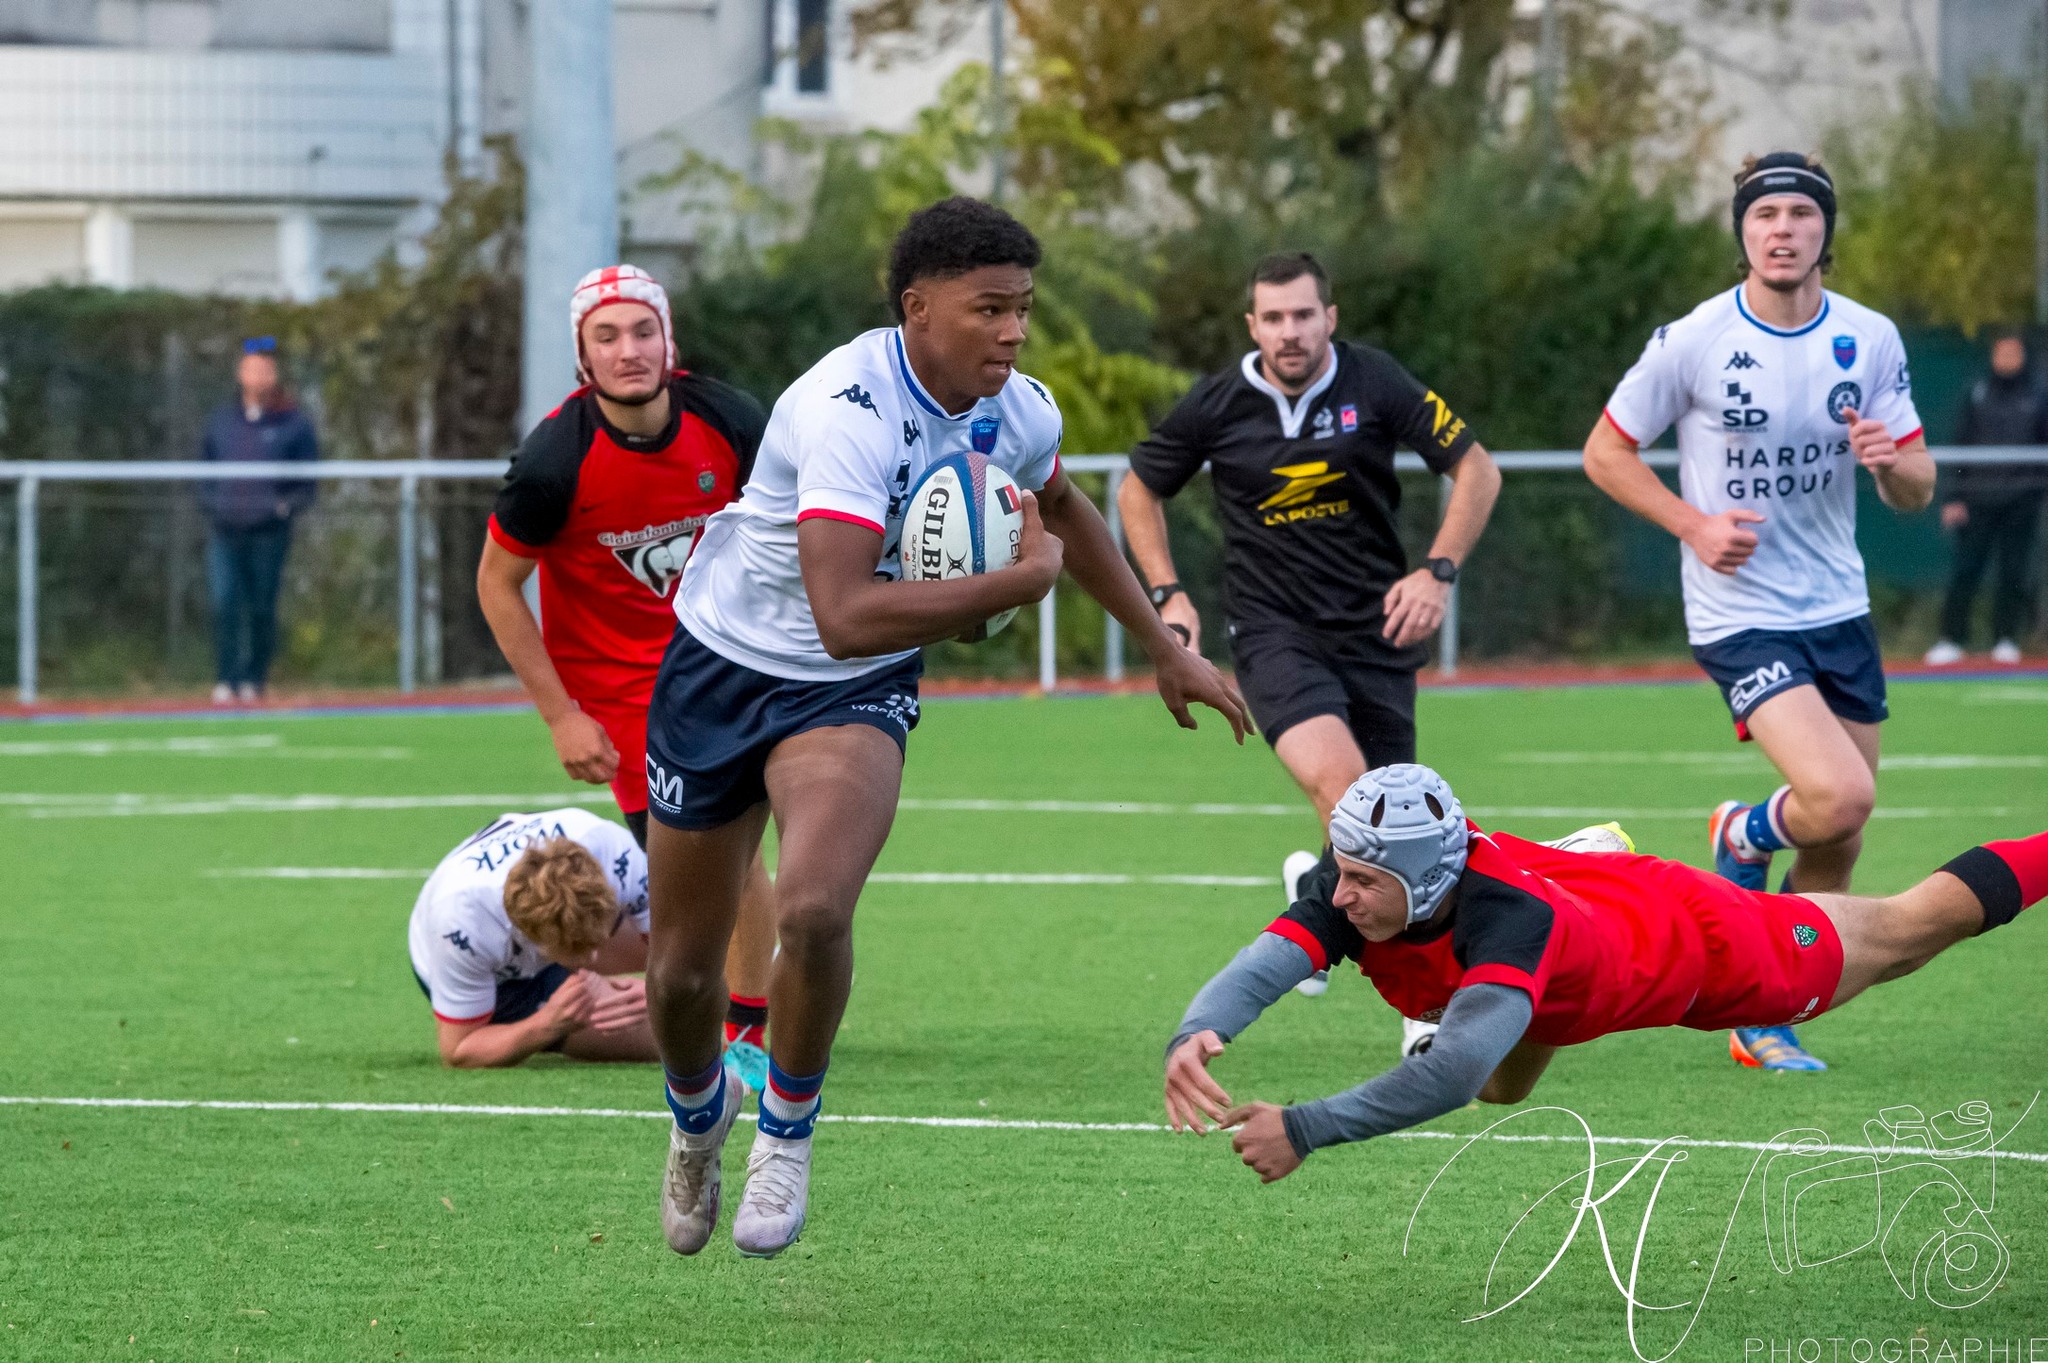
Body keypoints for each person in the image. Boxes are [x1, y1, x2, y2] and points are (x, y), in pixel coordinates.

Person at [644, 196, 1251, 1259]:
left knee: (817, 909)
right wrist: (1008, 588)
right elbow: (840, 612)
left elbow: (1058, 509)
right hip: (723, 666)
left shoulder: (1016, 409)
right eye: (990, 310)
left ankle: (785, 1129)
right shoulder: (845, 409)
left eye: (1022, 309)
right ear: (918, 307)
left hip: (850, 691)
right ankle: (698, 1121)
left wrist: (1163, 642)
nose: (1013, 333)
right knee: (681, 975)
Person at [1162, 763, 2047, 1181]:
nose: (1340, 895)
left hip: (1704, 947)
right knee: (1502, 1090)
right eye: (1341, 873)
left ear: (1427, 877)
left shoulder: (1506, 920)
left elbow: (1450, 1073)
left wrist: (1308, 1127)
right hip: (1570, 933)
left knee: (1908, 931)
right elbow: (1267, 960)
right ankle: (1575, 869)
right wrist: (1198, 1030)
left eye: (1364, 881)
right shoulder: (1359, 882)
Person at [1581, 152, 1935, 1072]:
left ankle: (1765, 1009)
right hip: (1738, 610)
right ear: (1742, 230)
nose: (1782, 229)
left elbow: (1918, 488)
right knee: (1839, 795)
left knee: (1841, 832)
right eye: (1765, 214)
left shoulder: (1870, 336)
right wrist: (1693, 523)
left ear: (1826, 230)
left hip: (1839, 604)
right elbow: (1606, 453)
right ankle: (1744, 833)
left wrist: (1888, 461)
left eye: (1800, 215)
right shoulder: (1694, 339)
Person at [1118, 250, 1502, 1047]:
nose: (1289, 332)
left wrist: (1437, 572)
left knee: (1413, 821)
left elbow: (1476, 469)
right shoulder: (1220, 403)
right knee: (1354, 791)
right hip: (1272, 634)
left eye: (1304, 315)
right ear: (1251, 325)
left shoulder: (1377, 382)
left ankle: (1317, 886)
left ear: (1331, 317)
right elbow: (1137, 487)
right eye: (1273, 317)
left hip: (1380, 631)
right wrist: (1168, 594)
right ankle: (1417, 1012)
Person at [476, 264, 778, 1088]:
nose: (628, 349)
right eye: (606, 336)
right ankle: (717, 1016)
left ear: (668, 339)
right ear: (582, 353)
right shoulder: (554, 459)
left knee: (751, 849)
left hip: (733, 660)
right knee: (714, 866)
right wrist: (560, 715)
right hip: (626, 697)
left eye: (643, 330)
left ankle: (748, 1025)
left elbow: (785, 526)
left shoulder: (729, 419)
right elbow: (496, 584)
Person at [408, 809, 657, 1068]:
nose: (589, 959)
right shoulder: (461, 927)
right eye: (573, 949)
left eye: (592, 942)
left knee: (684, 974)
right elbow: (460, 1049)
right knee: (657, 1037)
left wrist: (657, 990)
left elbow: (686, 949)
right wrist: (547, 1024)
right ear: (529, 937)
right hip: (503, 979)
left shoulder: (619, 853)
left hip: (562, 923)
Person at [198, 335, 318, 705]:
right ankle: (226, 678)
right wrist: (213, 504)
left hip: (268, 533)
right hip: (226, 530)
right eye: (252, 368)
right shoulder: (222, 422)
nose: (258, 375)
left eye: (266, 368)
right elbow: (202, 470)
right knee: (225, 601)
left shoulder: (293, 423)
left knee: (262, 606)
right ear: (240, 373)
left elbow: (307, 480)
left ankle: (255, 678)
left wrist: (283, 508)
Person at [1925, 331, 2047, 667]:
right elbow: (1961, 446)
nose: (2007, 359)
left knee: (2013, 573)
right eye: (2001, 352)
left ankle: (2005, 640)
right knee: (1966, 570)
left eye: (2013, 353)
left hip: (2021, 501)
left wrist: (2034, 490)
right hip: (1977, 499)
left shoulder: (2038, 396)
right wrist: (1954, 496)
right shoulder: (1977, 394)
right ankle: (1951, 639)